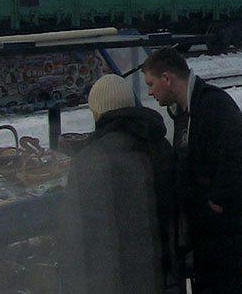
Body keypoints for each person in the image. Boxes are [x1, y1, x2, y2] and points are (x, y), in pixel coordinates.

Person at [142, 47, 242, 294]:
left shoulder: (213, 104)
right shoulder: (182, 113)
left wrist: (218, 200)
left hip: (234, 228)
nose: (149, 92)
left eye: (151, 83)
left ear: (167, 78)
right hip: (207, 233)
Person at [59, 74, 178, 294]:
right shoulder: (159, 145)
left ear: (98, 113)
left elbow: (76, 232)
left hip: (115, 279)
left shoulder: (91, 159)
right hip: (163, 275)